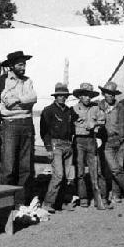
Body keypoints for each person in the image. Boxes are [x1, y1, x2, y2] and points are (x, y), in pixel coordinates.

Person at [0, 51, 37, 202]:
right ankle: (3, 203)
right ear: (11, 65)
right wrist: (24, 101)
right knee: (9, 166)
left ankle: (21, 203)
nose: (23, 67)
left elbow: (33, 97)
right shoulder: (2, 80)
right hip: (10, 125)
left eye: (24, 64)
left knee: (25, 166)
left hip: (27, 123)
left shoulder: (28, 80)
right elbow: (7, 103)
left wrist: (18, 99)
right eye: (20, 64)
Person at [72, 82, 109, 209]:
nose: (87, 98)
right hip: (79, 142)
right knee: (80, 172)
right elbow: (71, 126)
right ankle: (83, 197)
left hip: (92, 141)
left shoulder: (96, 108)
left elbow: (102, 121)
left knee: (97, 170)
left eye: (89, 95)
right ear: (80, 97)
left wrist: (96, 126)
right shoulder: (74, 109)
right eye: (85, 95)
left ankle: (102, 197)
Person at [97, 81, 124, 203]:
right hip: (106, 143)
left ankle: (116, 194)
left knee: (119, 168)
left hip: (120, 142)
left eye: (112, 94)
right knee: (114, 169)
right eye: (108, 93)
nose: (110, 96)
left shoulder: (120, 107)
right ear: (104, 94)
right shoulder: (99, 107)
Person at [39, 83, 76, 213]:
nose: (62, 98)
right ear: (55, 96)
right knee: (58, 175)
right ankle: (47, 203)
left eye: (64, 96)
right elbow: (44, 132)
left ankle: (61, 203)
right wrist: (49, 148)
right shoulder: (48, 110)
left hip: (67, 145)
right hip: (56, 145)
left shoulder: (69, 111)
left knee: (66, 176)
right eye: (59, 95)